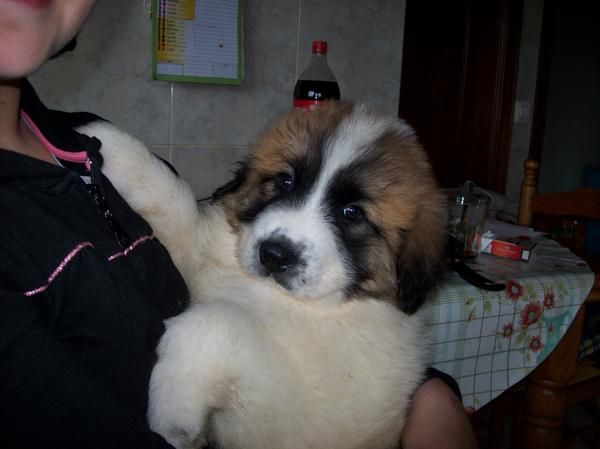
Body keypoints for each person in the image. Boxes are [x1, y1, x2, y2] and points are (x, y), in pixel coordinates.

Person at [0, 1, 478, 448]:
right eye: (285, 182)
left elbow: (179, 262)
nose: (286, 234)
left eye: (353, 215)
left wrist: (435, 394)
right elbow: (199, 248)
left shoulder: (79, 140)